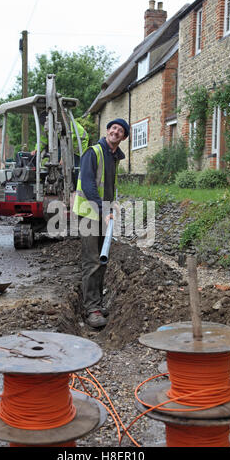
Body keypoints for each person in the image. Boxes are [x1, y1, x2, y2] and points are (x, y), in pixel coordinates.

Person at [73, 118, 129, 328]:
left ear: (123, 137)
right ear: (107, 131)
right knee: (92, 260)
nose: (116, 132)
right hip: (89, 214)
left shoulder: (113, 157)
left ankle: (96, 302)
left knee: (102, 262)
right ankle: (91, 309)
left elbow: (108, 185)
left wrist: (113, 204)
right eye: (113, 128)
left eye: (120, 131)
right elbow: (88, 184)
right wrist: (104, 209)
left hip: (103, 213)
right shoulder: (93, 152)